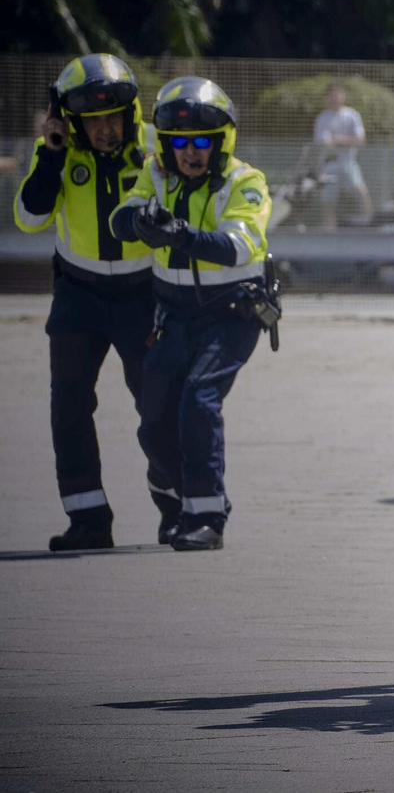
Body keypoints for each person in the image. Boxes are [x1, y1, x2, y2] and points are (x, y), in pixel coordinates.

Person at [13, 54, 173, 551]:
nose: (106, 129)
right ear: (71, 121)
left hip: (143, 296)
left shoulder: (155, 150)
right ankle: (88, 519)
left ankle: (176, 507)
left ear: (131, 113)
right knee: (69, 406)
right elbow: (29, 217)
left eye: (114, 117)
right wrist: (52, 152)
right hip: (77, 296)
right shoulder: (58, 153)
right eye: (93, 120)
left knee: (160, 407)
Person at [108, 77, 271, 552]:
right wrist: (139, 221)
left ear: (221, 143)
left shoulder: (247, 181)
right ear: (166, 144)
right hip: (172, 316)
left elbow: (239, 247)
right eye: (180, 142)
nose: (191, 152)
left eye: (203, 141)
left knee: (199, 402)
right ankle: (176, 506)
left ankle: (207, 517)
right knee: (153, 420)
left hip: (231, 314)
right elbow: (121, 221)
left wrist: (180, 234)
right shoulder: (155, 173)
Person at [311, 82, 372, 227]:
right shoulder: (322, 118)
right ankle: (330, 229)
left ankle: (370, 223)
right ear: (326, 98)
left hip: (348, 163)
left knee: (361, 192)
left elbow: (360, 139)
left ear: (343, 96)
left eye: (338, 95)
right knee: (327, 200)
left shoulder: (352, 115)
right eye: (331, 96)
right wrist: (343, 142)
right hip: (328, 165)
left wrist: (338, 139)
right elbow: (322, 143)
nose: (335, 98)